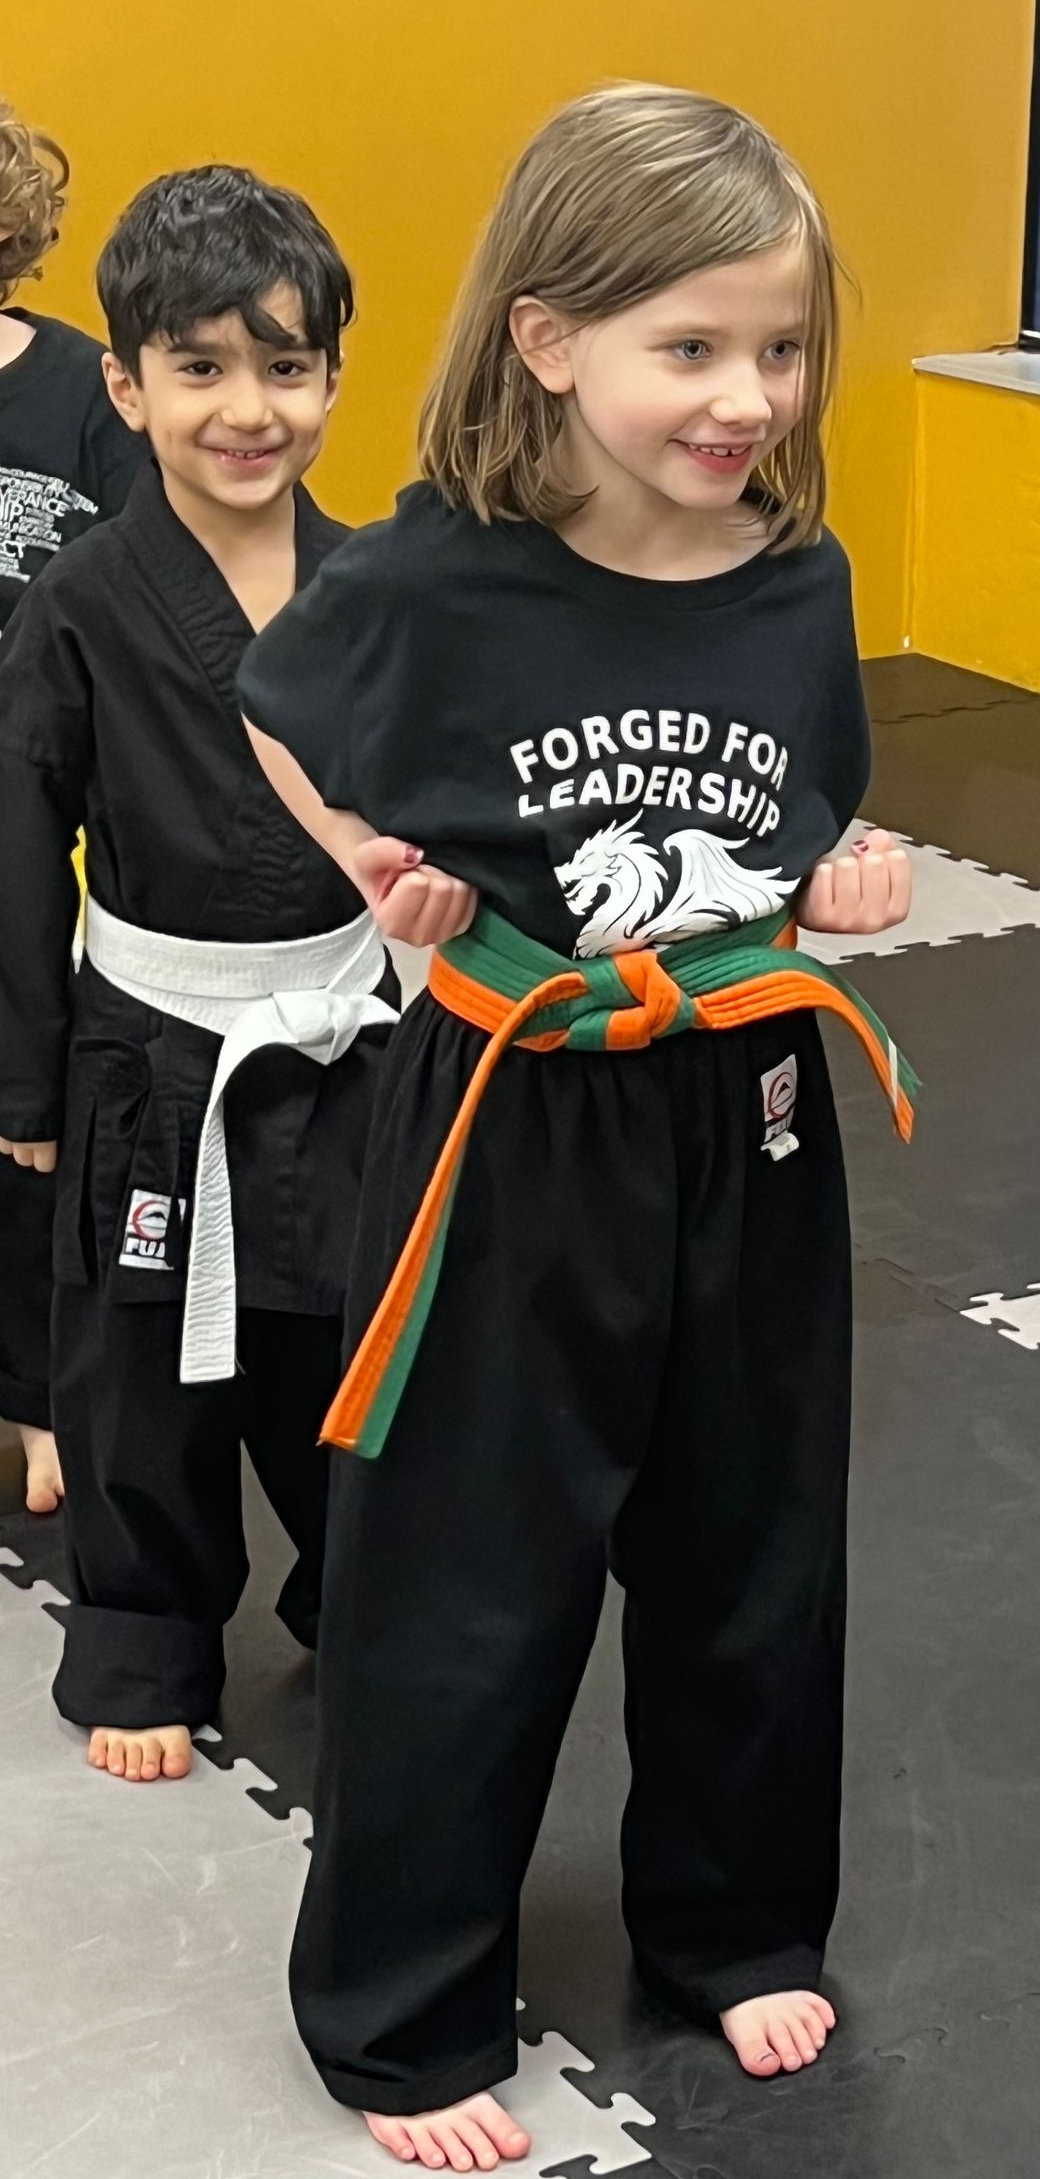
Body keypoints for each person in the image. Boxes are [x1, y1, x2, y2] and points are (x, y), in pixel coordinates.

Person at [241, 83, 914, 2175]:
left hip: (750, 1115)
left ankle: (726, 1920)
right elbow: (280, 707)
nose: (745, 396)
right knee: (464, 1573)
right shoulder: (447, 570)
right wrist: (374, 862)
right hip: (510, 1128)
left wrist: (848, 874)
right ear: (548, 340)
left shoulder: (791, 574)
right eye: (689, 346)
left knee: (750, 1542)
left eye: (776, 348)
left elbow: (791, 829)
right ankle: (401, 2008)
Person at [0, 165, 397, 1788]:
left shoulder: (378, 584)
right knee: (141, 1362)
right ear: (126, 384)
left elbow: (447, 814)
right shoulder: (82, 598)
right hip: (148, 1043)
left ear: (330, 379)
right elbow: (18, 831)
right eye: (203, 368)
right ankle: (145, 1632)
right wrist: (22, 1085)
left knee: (353, 1344)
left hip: (350, 1029)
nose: (250, 410)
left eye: (287, 367)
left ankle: (359, 1595)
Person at [0, 96, 147, 1517]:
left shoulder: (81, 391)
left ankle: (43, 1393)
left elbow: (153, 567)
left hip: (37, 808)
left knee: (31, 1109)